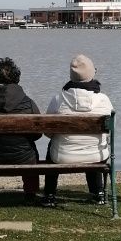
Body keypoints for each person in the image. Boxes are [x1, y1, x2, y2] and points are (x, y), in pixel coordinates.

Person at [40, 54, 113, 207]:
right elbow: (109, 131)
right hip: (97, 156)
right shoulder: (104, 100)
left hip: (62, 156)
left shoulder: (58, 99)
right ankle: (98, 192)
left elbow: (47, 131)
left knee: (52, 145)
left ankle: (50, 194)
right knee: (93, 142)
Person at [0, 57, 40, 205]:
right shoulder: (28, 103)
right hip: (23, 157)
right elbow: (37, 134)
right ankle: (30, 193)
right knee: (31, 150)